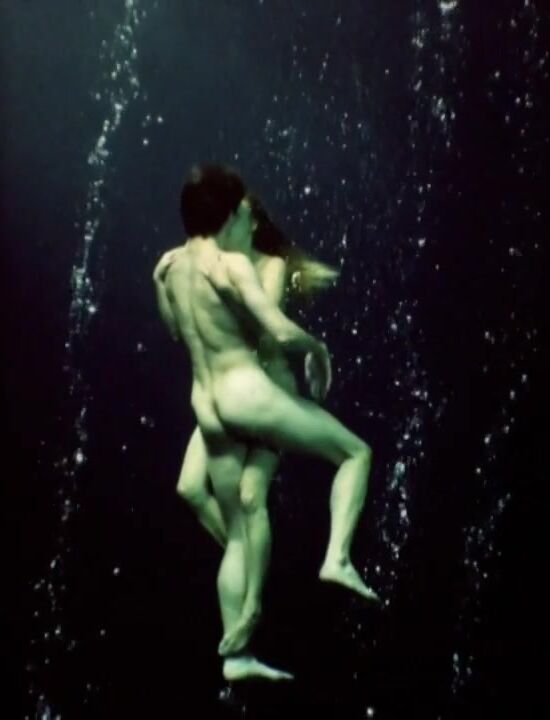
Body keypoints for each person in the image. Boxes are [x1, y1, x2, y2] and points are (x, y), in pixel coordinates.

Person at [153, 164, 379, 682]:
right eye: (240, 211)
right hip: (244, 393)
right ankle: (336, 558)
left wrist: (156, 283)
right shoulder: (230, 265)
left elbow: (175, 332)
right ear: (229, 216)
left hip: (205, 402)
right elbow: (276, 328)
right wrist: (318, 348)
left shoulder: (171, 267)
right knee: (356, 452)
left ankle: (236, 656)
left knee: (238, 530)